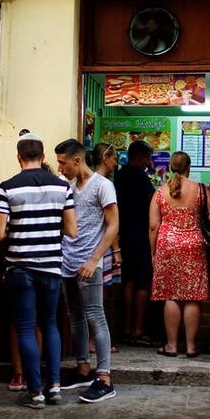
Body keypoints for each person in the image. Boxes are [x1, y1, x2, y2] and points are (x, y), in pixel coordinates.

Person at [0, 132, 77, 410]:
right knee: (50, 324)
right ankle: (54, 386)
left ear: (19, 159)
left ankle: (34, 392)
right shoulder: (62, 187)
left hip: (20, 267)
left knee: (26, 328)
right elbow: (72, 229)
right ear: (42, 157)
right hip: (51, 267)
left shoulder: (7, 188)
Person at [55, 139, 118, 403]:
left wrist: (94, 260)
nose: (61, 168)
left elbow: (113, 225)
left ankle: (104, 378)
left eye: (63, 163)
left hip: (89, 264)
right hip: (67, 262)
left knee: (95, 316)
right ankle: (83, 369)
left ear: (77, 161)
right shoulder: (69, 187)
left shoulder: (103, 186)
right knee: (75, 316)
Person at [150, 151, 210, 358]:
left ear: (170, 168)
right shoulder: (201, 190)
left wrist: (153, 253)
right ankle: (190, 346)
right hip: (193, 245)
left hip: (167, 246)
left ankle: (171, 346)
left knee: (171, 295)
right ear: (189, 167)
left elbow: (154, 226)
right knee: (192, 297)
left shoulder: (160, 193)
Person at [114, 140, 156, 347]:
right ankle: (138, 330)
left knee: (128, 282)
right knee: (142, 283)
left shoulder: (120, 175)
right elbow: (153, 202)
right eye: (148, 158)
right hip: (140, 235)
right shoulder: (140, 176)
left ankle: (127, 329)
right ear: (139, 157)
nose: (149, 162)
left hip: (123, 234)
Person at [90, 143, 121, 355]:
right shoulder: (104, 185)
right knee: (97, 299)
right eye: (114, 158)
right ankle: (95, 342)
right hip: (101, 247)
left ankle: (91, 342)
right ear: (105, 158)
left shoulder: (88, 182)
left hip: (93, 247)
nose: (116, 162)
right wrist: (117, 250)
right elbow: (112, 223)